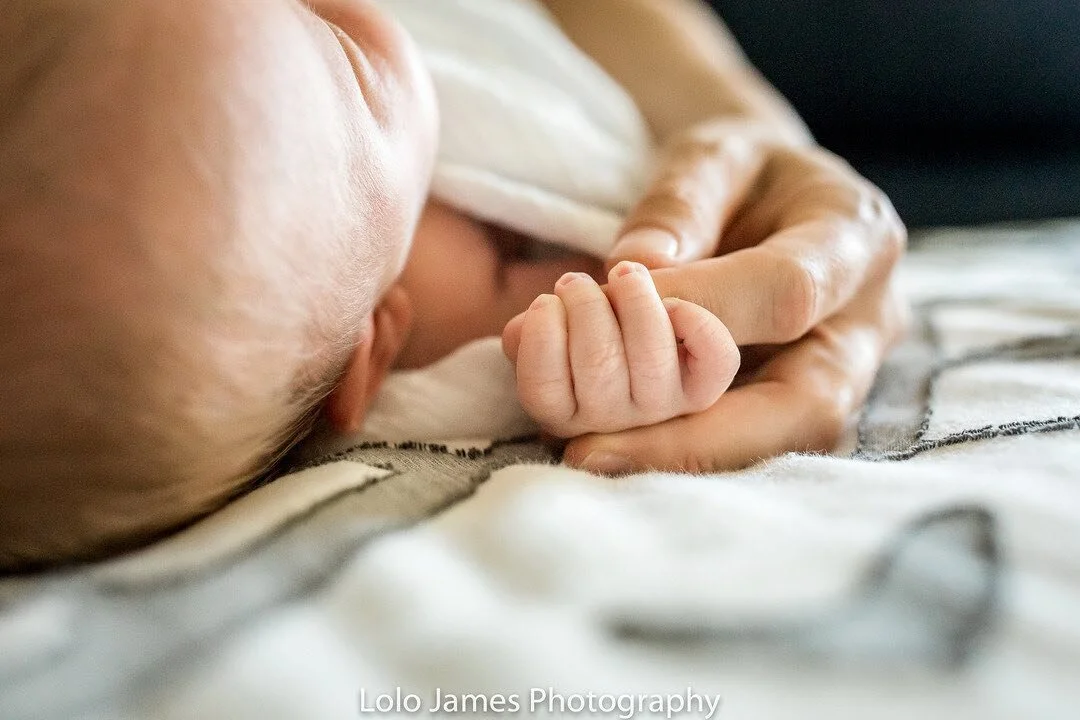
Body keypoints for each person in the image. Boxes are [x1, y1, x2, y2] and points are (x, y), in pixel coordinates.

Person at [0, 0, 905, 570]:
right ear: (375, 347)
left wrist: (736, 116)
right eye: (345, 65)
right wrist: (637, 354)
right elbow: (654, 315)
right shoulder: (428, 317)